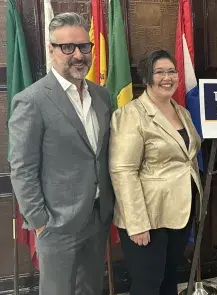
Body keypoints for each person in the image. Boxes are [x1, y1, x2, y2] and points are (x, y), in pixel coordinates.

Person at [9, 12, 114, 295]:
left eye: (83, 46)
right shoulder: (32, 100)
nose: (77, 55)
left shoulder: (102, 96)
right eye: (67, 47)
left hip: (97, 216)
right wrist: (41, 222)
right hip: (57, 224)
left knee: (91, 288)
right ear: (51, 50)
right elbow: (22, 168)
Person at [109, 49, 202, 295]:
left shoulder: (182, 112)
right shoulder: (131, 114)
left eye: (172, 71)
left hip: (179, 212)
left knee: (169, 278)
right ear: (146, 77)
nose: (167, 77)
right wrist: (136, 223)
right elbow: (123, 171)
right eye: (159, 72)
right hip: (147, 217)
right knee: (148, 284)